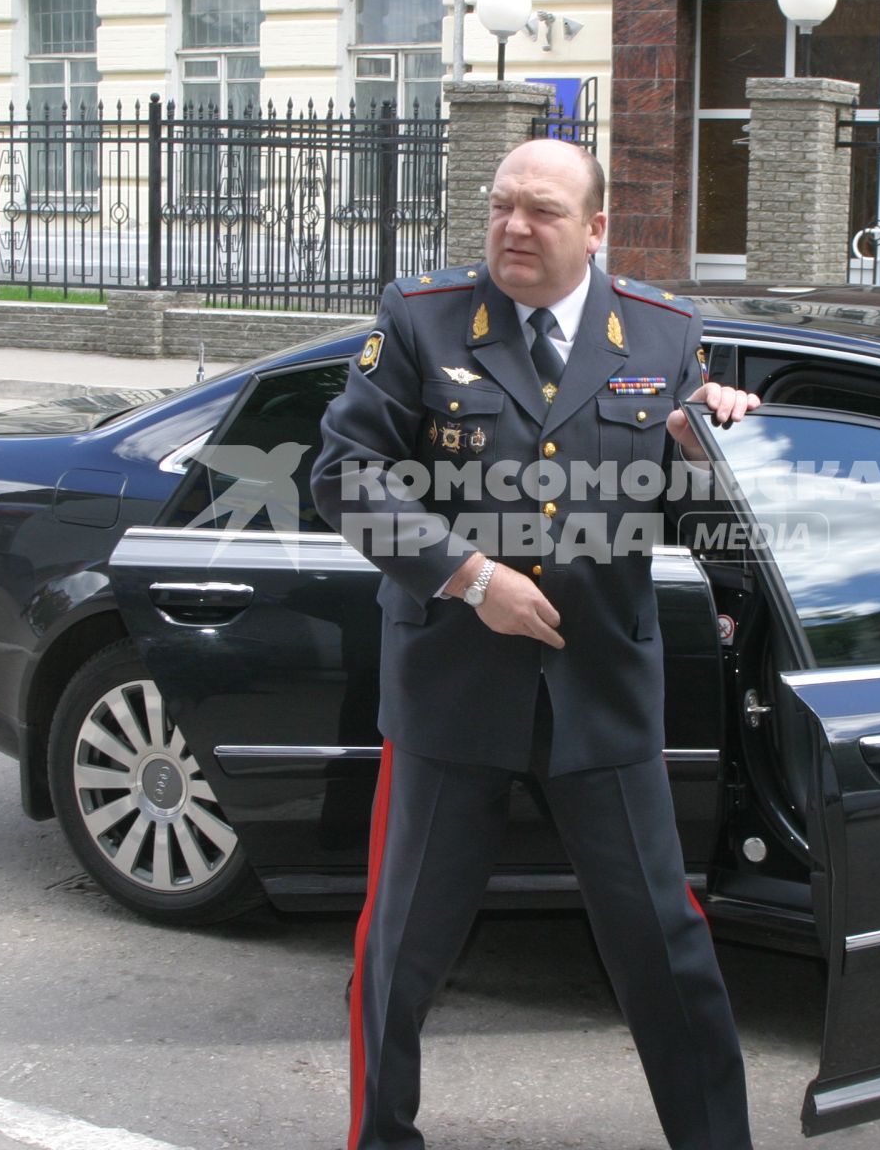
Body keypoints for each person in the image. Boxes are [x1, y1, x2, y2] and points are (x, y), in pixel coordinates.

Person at [309, 136, 760, 1150]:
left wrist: (718, 442)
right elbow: (344, 475)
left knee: (666, 946)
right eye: (502, 204)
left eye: (543, 210)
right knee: (401, 951)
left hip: (599, 691)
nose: (515, 226)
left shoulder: (662, 334)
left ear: (596, 228)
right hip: (451, 690)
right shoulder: (422, 321)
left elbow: (689, 513)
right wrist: (472, 576)